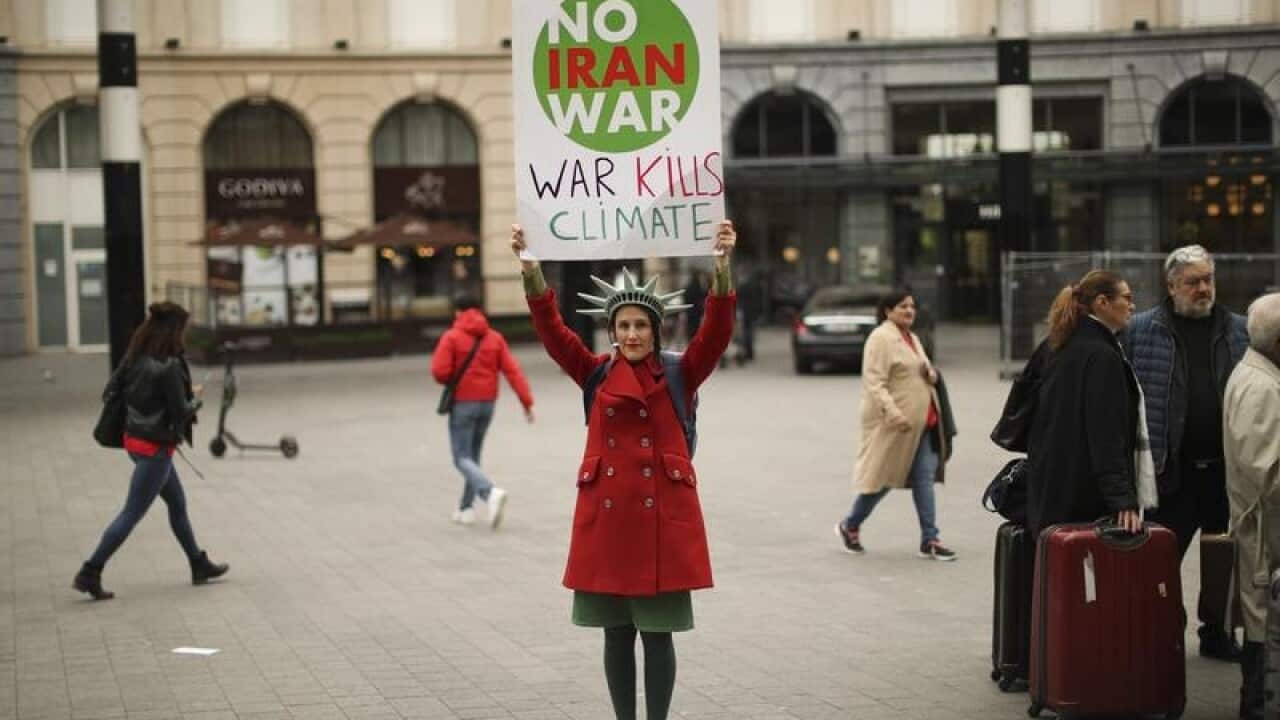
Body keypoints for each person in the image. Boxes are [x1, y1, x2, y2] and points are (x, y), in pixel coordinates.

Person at [511, 221, 737, 720]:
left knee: (658, 637)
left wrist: (721, 269)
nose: (631, 334)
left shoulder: (681, 371)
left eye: (641, 326)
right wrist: (532, 270)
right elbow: (552, 334)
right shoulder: (592, 371)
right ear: (611, 332)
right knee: (616, 635)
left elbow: (716, 335)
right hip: (609, 525)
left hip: (662, 526)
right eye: (623, 326)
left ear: (656, 332)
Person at [1122, 244, 1249, 661]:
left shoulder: (1238, 330)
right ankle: (1162, 630)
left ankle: (1215, 631)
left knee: (1222, 559)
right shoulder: (1141, 330)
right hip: (1168, 470)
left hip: (1224, 472)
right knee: (1161, 557)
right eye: (1192, 281)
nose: (1202, 288)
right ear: (1171, 285)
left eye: (1207, 279)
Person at [73, 302, 228, 600]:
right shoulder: (169, 365)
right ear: (173, 330)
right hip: (155, 448)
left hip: (135, 440)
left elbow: (110, 391)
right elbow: (180, 412)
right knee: (131, 512)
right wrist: (195, 400)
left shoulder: (135, 356)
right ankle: (90, 571)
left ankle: (198, 563)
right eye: (182, 329)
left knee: (177, 503)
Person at [1024, 270, 1151, 538]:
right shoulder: (1103, 355)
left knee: (1054, 572)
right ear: (1102, 303)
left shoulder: (1055, 343)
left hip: (1048, 482)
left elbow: (1023, 407)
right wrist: (1122, 499)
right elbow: (1106, 432)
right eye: (1126, 298)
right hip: (1085, 494)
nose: (1132, 305)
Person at [835, 289, 958, 560]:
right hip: (894, 425)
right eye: (903, 307)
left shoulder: (912, 338)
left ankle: (930, 538)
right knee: (882, 480)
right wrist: (893, 413)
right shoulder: (881, 338)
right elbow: (874, 382)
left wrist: (933, 375)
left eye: (912, 306)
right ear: (887, 311)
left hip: (922, 424)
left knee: (924, 478)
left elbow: (924, 371)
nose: (910, 311)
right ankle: (850, 525)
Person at [1223, 292, 1280, 720]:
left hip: (1263, 537)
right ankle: (1257, 705)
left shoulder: (1260, 375)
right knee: (1264, 632)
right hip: (1265, 541)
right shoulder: (1260, 387)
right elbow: (1270, 475)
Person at [431, 295, 534, 530]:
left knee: (461, 457)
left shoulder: (452, 337)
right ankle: (466, 509)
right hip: (488, 404)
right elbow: (512, 371)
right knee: (473, 456)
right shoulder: (494, 337)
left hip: (463, 404)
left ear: (458, 312)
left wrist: (453, 377)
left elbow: (439, 371)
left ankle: (489, 493)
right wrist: (526, 402)